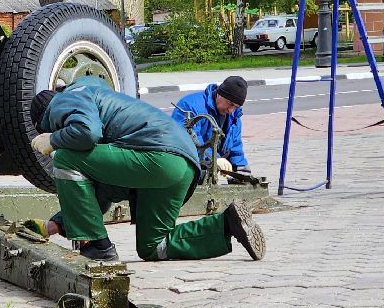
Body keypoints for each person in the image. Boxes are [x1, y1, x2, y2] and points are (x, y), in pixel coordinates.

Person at [27, 77, 266, 263]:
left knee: (66, 158)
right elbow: (102, 190)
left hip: (159, 159)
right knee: (154, 247)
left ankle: (97, 247)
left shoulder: (65, 100)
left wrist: (55, 139)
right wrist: (55, 226)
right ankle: (227, 224)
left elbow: (87, 133)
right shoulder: (100, 98)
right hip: (184, 168)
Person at [171, 74, 249, 176]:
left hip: (206, 165)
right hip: (183, 165)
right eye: (230, 103)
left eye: (236, 106)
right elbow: (189, 140)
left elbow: (235, 145)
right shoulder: (190, 106)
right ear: (219, 95)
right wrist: (214, 158)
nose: (231, 110)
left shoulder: (234, 115)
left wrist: (241, 168)